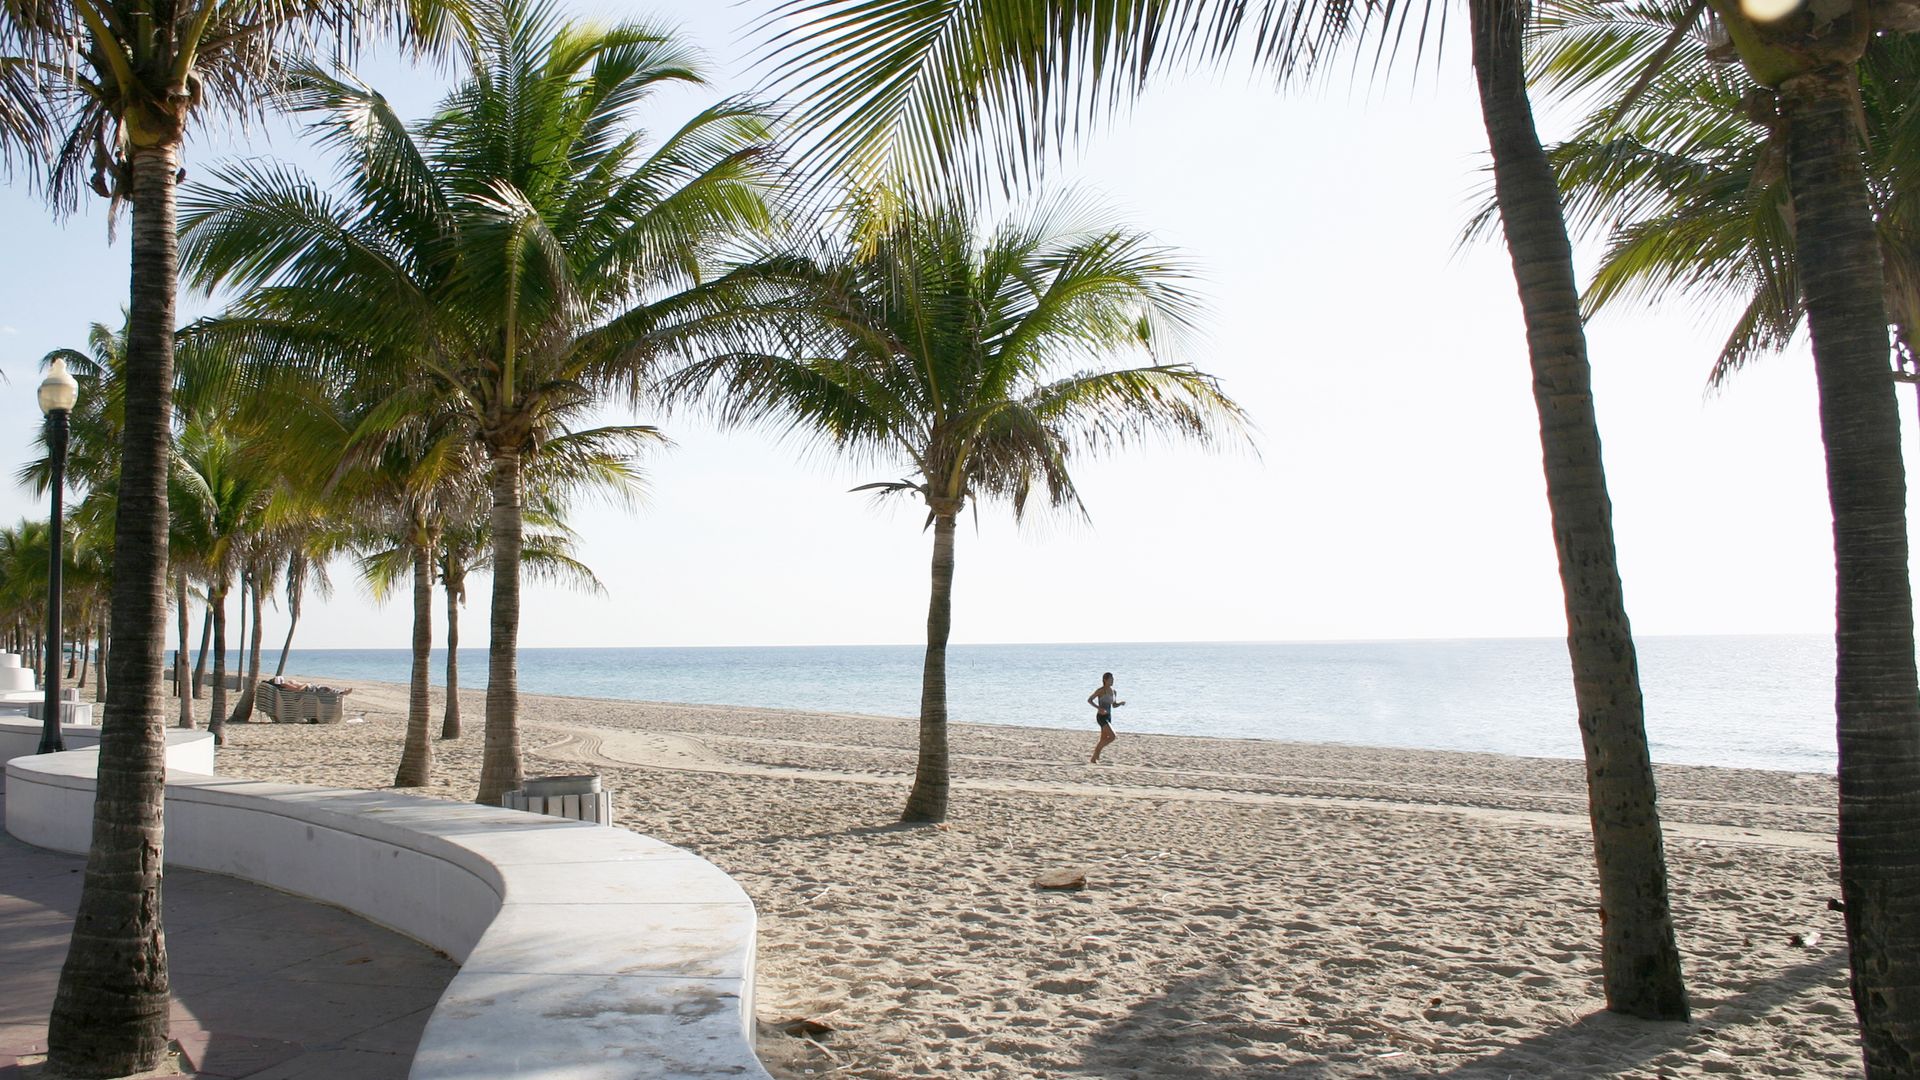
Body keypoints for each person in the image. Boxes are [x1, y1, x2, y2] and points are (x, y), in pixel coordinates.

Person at [1087, 672, 1124, 763]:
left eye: (1113, 679)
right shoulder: (1101, 690)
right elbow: (1089, 700)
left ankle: (1094, 758)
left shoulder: (1114, 691)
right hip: (1101, 717)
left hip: (1109, 716)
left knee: (1103, 739)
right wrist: (1098, 708)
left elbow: (1114, 705)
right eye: (1110, 679)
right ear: (1105, 680)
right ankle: (1096, 756)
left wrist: (1120, 704)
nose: (1112, 680)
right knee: (1113, 736)